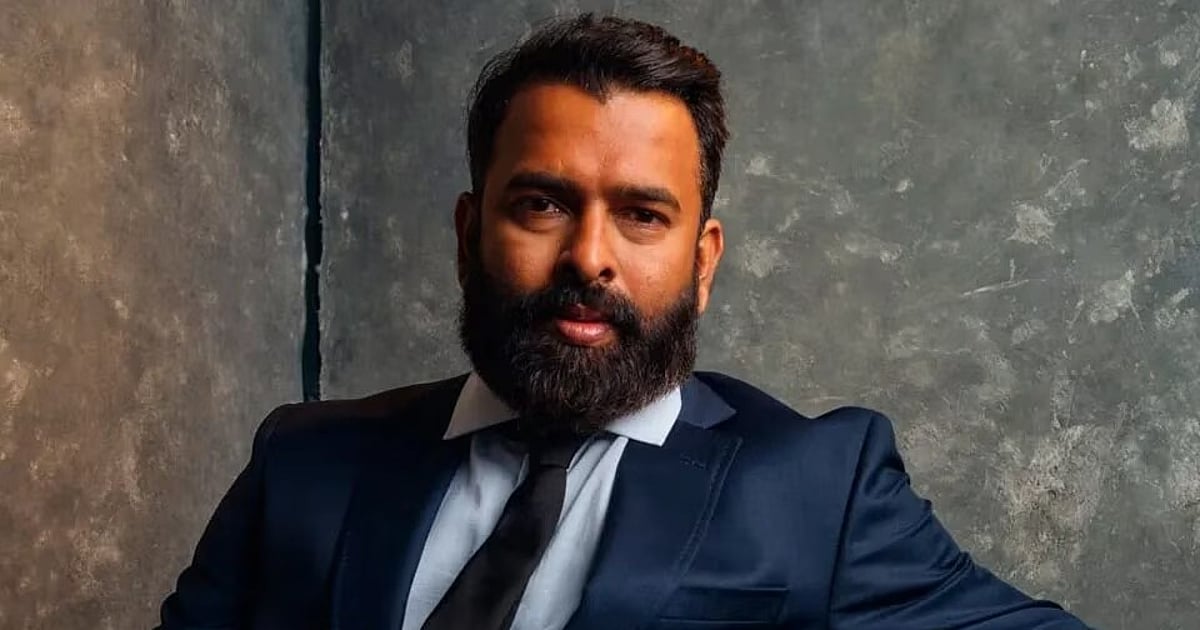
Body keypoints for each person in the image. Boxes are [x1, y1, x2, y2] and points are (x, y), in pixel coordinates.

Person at [158, 13, 1092, 630]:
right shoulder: (304, 463)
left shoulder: (820, 488)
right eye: (542, 204)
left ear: (703, 261)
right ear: (469, 232)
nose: (589, 258)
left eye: (642, 215)